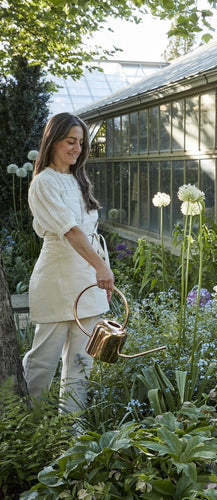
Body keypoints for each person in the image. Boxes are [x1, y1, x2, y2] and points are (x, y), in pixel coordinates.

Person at [22, 112, 114, 414]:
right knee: (42, 361)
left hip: (86, 281)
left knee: (80, 363)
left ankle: (71, 436)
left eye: (81, 142)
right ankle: (27, 425)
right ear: (53, 141)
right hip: (58, 280)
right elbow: (72, 232)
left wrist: (103, 273)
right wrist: (101, 268)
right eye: (70, 141)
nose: (77, 148)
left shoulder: (75, 180)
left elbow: (89, 234)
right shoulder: (43, 183)